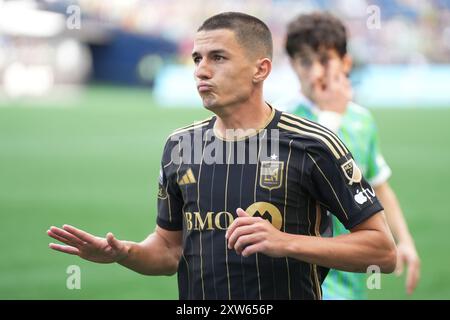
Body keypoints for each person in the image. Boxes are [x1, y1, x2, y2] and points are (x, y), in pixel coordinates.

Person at [47, 12, 397, 300]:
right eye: (197, 58)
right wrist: (124, 253)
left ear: (260, 69)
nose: (201, 70)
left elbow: (382, 252)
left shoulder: (314, 144)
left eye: (218, 57)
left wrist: (285, 242)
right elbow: (169, 250)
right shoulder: (179, 146)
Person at [283, 12, 420, 299]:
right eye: (304, 61)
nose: (313, 71)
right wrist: (331, 116)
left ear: (345, 62)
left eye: (323, 59)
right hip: (302, 269)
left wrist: (404, 240)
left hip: (352, 269)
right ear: (293, 64)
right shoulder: (281, 120)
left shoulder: (361, 120)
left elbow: (378, 185)